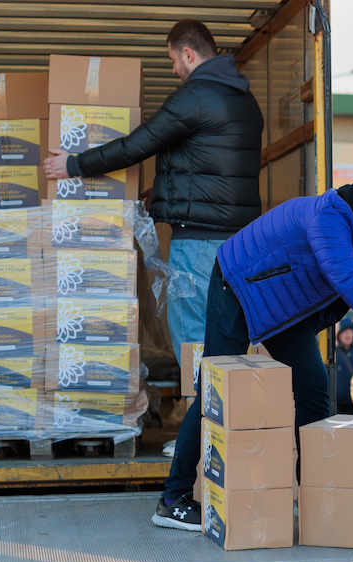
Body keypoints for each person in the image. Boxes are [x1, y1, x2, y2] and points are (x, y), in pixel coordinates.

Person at [151, 181, 353, 530]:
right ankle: (172, 499)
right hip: (239, 285)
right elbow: (349, 282)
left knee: (315, 386)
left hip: (284, 308)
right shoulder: (328, 219)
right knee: (215, 391)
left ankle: (315, 497)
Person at [43, 20, 263, 363]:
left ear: (188, 54)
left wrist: (73, 165)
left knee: (192, 332)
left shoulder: (195, 97)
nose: (175, 70)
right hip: (242, 240)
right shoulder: (245, 99)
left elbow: (137, 145)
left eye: (174, 60)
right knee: (226, 332)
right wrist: (159, 192)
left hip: (200, 242)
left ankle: (203, 410)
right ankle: (234, 412)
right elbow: (212, 164)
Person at [334, 319, 353, 415]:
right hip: (339, 405)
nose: (348, 335)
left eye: (350, 332)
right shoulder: (333, 354)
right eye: (345, 332)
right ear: (339, 335)